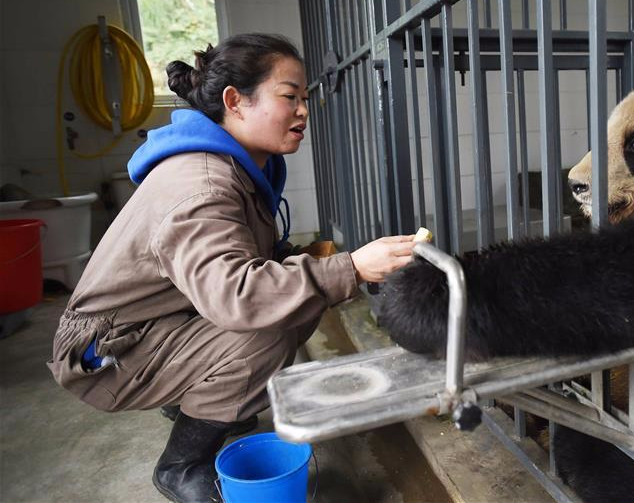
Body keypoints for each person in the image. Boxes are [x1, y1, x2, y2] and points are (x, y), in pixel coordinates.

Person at [47, 33, 417, 502]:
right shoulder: (203, 184)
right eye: (289, 97)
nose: (304, 111)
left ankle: (207, 402)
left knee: (296, 298)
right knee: (266, 330)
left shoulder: (238, 167)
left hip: (152, 324)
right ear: (234, 101)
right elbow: (238, 296)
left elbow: (249, 267)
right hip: (107, 353)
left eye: (305, 99)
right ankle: (181, 466)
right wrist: (353, 268)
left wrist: (336, 263)